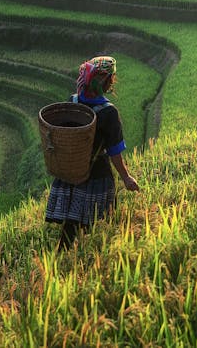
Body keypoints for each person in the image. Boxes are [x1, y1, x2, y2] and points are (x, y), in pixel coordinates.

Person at [44, 56, 140, 249]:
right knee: (98, 219)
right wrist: (126, 178)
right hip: (96, 174)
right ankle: (91, 255)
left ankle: (67, 255)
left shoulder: (72, 101)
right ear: (107, 81)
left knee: (72, 219)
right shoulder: (108, 113)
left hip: (71, 170)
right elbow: (114, 152)